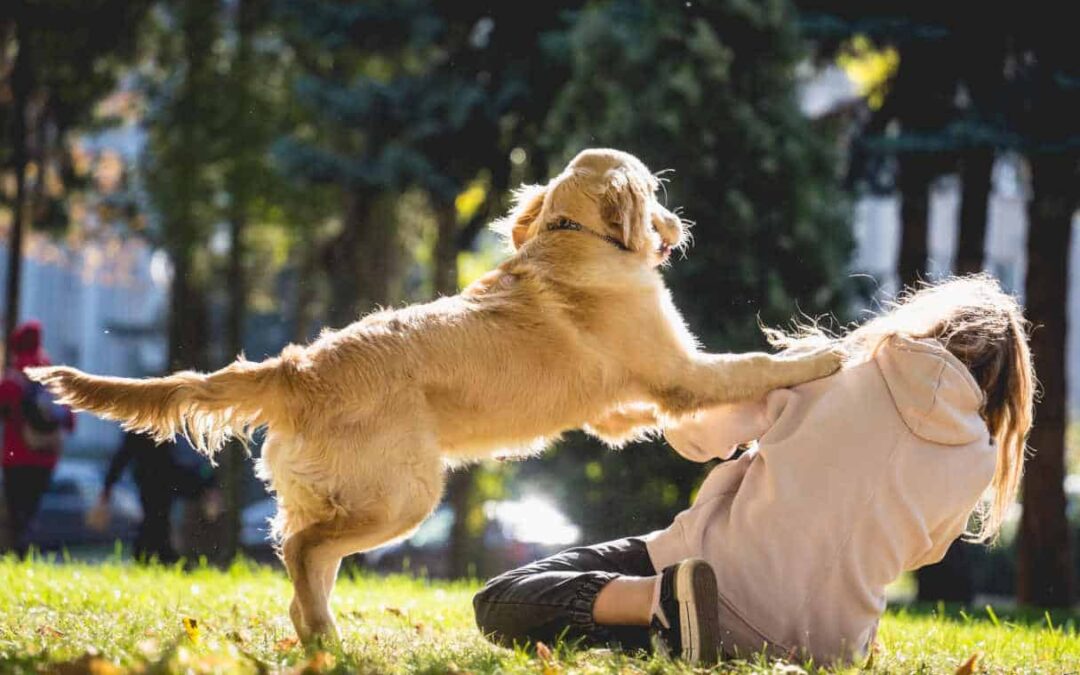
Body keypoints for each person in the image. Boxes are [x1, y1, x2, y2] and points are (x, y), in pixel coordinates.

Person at [472, 275, 1033, 666]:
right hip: (831, 648)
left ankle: (661, 602)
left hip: (712, 586)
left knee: (503, 600)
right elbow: (919, 552)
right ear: (1005, 386)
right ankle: (668, 619)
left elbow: (698, 439)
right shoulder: (976, 461)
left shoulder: (828, 368)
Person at [0, 321, 75, 556]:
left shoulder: (12, 379)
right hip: (46, 457)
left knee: (17, 512)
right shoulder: (51, 377)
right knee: (32, 510)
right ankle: (27, 552)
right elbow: (70, 422)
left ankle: (18, 555)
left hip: (16, 456)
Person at [99, 430, 181, 563]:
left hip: (157, 479)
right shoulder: (144, 426)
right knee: (156, 520)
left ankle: (156, 556)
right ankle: (157, 557)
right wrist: (108, 485)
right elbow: (122, 456)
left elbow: (122, 455)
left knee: (156, 520)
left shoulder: (154, 425)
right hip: (154, 480)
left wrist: (108, 485)